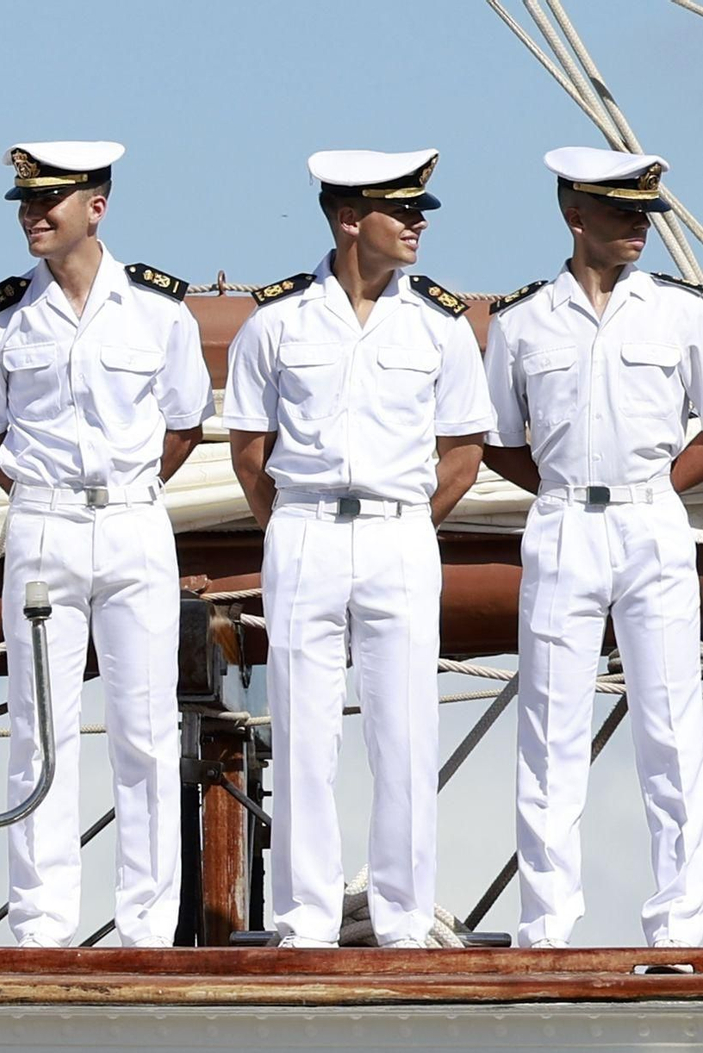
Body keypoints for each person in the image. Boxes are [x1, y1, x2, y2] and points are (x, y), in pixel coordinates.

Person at [225, 149, 493, 949]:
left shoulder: (440, 325)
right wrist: (290, 523)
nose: (417, 222)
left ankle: (404, 920)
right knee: (305, 731)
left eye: (418, 211)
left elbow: (464, 453)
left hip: (399, 531)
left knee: (405, 730)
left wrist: (407, 522)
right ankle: (304, 923)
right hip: (303, 526)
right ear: (349, 219)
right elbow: (248, 447)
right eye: (400, 211)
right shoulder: (275, 322)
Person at [0, 141, 212, 948]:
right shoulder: (0, 319)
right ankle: (41, 924)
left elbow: (184, 424)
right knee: (40, 732)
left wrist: (121, 490)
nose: (33, 215)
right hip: (43, 523)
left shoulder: (161, 311)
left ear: (95, 208)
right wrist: (51, 495)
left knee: (144, 731)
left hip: (133, 521)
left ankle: (148, 927)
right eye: (26, 203)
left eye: (49, 202)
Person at [484, 147, 703, 951]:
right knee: (549, 725)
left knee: (674, 726)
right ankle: (545, 926)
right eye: (622, 214)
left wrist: (663, 483)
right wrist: (559, 483)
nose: (639, 229)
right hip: (564, 518)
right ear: (576, 216)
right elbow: (498, 438)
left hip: (651, 519)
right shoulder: (522, 322)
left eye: (644, 214)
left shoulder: (684, 315)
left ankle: (682, 923)